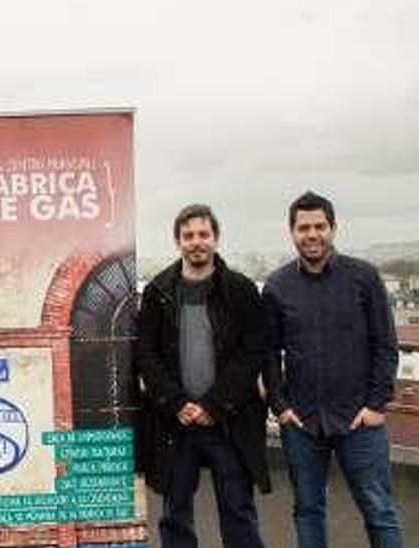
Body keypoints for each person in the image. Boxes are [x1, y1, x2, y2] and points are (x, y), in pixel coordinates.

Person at [263, 191, 403, 548]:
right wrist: (280, 407)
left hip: (359, 420)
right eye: (304, 227)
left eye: (320, 226)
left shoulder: (364, 278)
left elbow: (385, 345)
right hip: (303, 424)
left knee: (379, 511)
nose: (312, 235)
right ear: (292, 232)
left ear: (333, 228)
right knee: (308, 510)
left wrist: (375, 406)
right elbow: (268, 352)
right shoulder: (277, 286)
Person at [136, 204, 271, 548]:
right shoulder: (158, 292)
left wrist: (213, 405)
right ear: (177, 241)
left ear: (216, 238)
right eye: (188, 236)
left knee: (238, 512)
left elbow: (252, 352)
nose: (197, 242)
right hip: (176, 425)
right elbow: (146, 355)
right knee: (175, 514)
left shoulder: (240, 290)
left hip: (228, 422)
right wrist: (178, 403)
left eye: (203, 235)